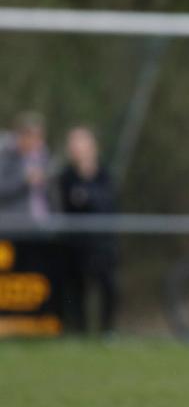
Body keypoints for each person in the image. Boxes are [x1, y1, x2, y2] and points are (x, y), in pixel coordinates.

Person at [59, 126, 118, 336]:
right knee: (76, 288)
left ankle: (107, 331)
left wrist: (87, 196)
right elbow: (70, 204)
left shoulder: (104, 172)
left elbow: (106, 203)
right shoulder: (66, 175)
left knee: (107, 287)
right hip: (76, 243)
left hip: (102, 243)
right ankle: (79, 331)